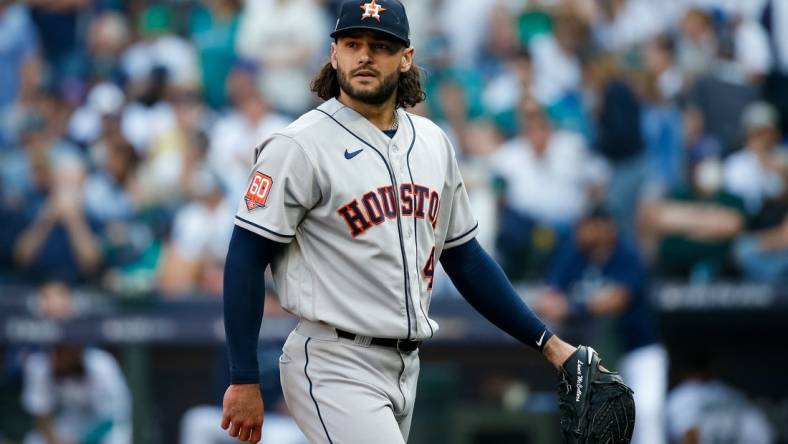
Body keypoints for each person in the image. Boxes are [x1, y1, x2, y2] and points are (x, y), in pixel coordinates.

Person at [219, 1, 618, 443]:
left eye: (381, 46)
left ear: (406, 57)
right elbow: (245, 256)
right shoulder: (299, 146)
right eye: (352, 44)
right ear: (334, 54)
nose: (365, 56)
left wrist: (551, 345)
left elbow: (465, 258)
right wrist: (243, 377)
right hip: (334, 361)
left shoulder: (432, 142)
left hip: (407, 366)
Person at [536, 207, 666, 444]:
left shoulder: (627, 255)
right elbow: (545, 300)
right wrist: (564, 304)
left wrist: (572, 306)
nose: (581, 232)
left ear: (606, 227)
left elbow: (617, 300)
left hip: (638, 350)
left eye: (588, 226)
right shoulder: (572, 256)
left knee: (647, 414)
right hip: (594, 356)